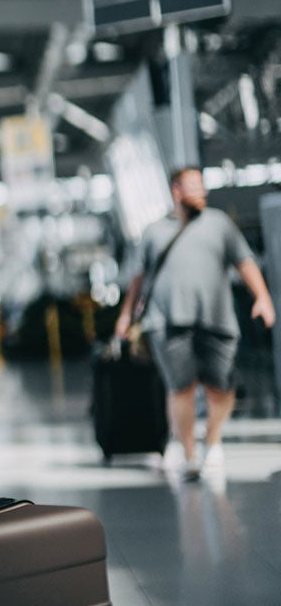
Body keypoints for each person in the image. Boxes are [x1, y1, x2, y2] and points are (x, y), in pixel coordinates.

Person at [115, 167, 275, 479]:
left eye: (202, 187)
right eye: (193, 187)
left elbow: (244, 261)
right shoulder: (153, 231)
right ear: (176, 191)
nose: (201, 193)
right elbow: (138, 279)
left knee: (221, 388)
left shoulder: (219, 224)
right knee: (181, 388)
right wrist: (126, 315)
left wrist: (263, 297)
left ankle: (212, 440)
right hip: (167, 321)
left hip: (216, 320)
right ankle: (189, 452)